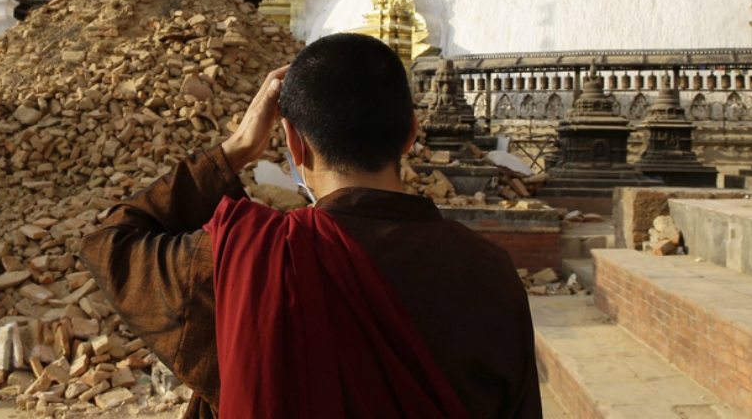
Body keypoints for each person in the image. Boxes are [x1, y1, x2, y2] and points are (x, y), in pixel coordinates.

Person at [81, 33, 541, 418]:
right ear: (411, 134)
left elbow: (110, 243)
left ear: (292, 145)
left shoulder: (247, 264)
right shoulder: (491, 273)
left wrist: (237, 148)